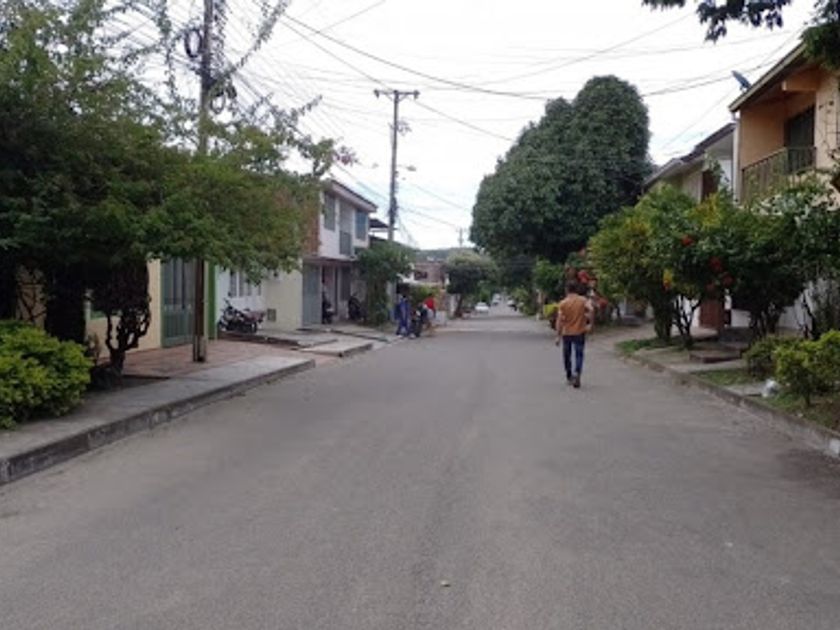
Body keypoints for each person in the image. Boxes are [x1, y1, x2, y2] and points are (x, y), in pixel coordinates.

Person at [555, 282, 594, 388]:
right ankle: (577, 372)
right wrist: (590, 324)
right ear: (576, 289)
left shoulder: (563, 303)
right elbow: (591, 309)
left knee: (567, 355)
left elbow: (559, 320)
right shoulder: (583, 300)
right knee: (579, 354)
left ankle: (569, 376)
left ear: (567, 290)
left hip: (567, 333)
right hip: (580, 332)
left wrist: (558, 336)